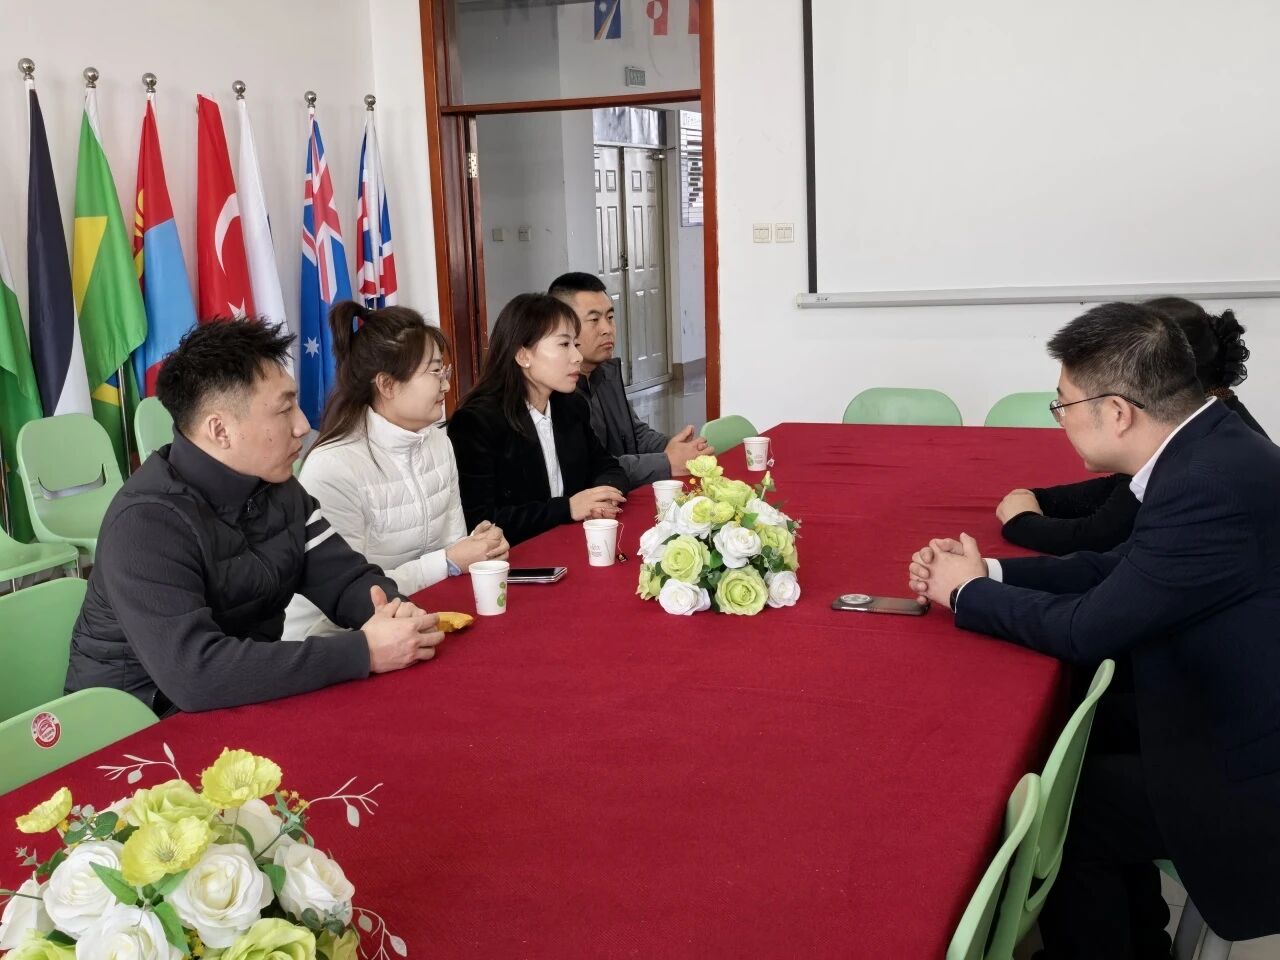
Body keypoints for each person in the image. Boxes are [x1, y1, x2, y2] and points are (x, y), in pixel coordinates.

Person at [906, 302, 1280, 959]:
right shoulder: (1206, 445)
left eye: (1063, 403)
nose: (1059, 417)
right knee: (1056, 738)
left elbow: (1087, 630)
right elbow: (1118, 568)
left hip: (1249, 772)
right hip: (1222, 703)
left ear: (1116, 412)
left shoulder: (1206, 483)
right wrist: (989, 572)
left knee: (1066, 816)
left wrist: (966, 594)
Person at [65, 318, 445, 716]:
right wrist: (361, 652)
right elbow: (195, 674)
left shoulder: (279, 488)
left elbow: (345, 580)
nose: (303, 425)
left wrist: (397, 614)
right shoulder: (145, 524)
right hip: (139, 724)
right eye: (285, 409)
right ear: (220, 430)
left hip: (243, 698)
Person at [282, 302, 508, 643]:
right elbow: (352, 594)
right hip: (335, 638)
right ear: (387, 385)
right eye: (435, 372)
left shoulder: (437, 442)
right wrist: (448, 561)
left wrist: (480, 546)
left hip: (415, 617)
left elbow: (452, 545)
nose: (446, 386)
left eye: (443, 371)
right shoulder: (334, 466)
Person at [997, 298, 1266, 554]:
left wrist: (1022, 521)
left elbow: (1102, 536)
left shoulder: (1196, 464)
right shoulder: (1218, 418)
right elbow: (1122, 488)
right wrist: (1039, 498)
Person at [448, 292, 628, 546]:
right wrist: (568, 508)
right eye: (564, 345)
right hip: (515, 558)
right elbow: (482, 521)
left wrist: (602, 496)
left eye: (576, 344)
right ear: (523, 356)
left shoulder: (571, 406)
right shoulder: (476, 422)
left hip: (570, 545)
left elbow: (609, 467)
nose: (577, 357)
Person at [548, 272, 712, 490]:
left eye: (610, 317)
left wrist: (675, 447)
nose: (607, 329)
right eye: (594, 320)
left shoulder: (605, 372)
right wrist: (666, 461)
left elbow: (634, 433)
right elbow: (594, 466)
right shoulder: (556, 390)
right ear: (564, 326)